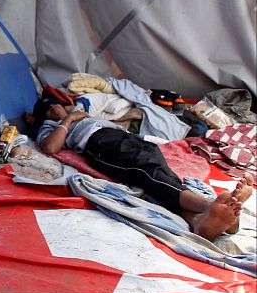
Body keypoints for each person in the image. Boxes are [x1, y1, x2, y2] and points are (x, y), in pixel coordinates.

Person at [33, 97, 254, 241]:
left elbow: (87, 100)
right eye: (46, 108)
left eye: (53, 102)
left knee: (159, 174)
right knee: (148, 172)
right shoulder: (51, 127)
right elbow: (50, 147)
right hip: (100, 144)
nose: (51, 106)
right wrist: (69, 118)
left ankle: (198, 221)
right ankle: (209, 205)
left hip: (127, 138)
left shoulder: (83, 111)